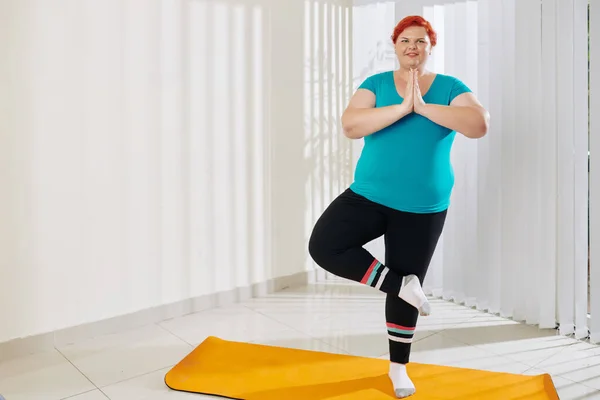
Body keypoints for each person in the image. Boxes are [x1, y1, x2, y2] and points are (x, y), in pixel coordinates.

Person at [308, 15, 489, 398]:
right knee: (324, 246)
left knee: (404, 292)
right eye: (406, 40)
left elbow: (477, 124)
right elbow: (351, 125)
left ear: (430, 46)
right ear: (395, 44)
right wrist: (403, 107)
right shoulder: (374, 85)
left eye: (421, 41)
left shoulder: (450, 87)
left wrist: (423, 107)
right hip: (369, 195)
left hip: (423, 206)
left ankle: (398, 369)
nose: (413, 46)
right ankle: (402, 284)